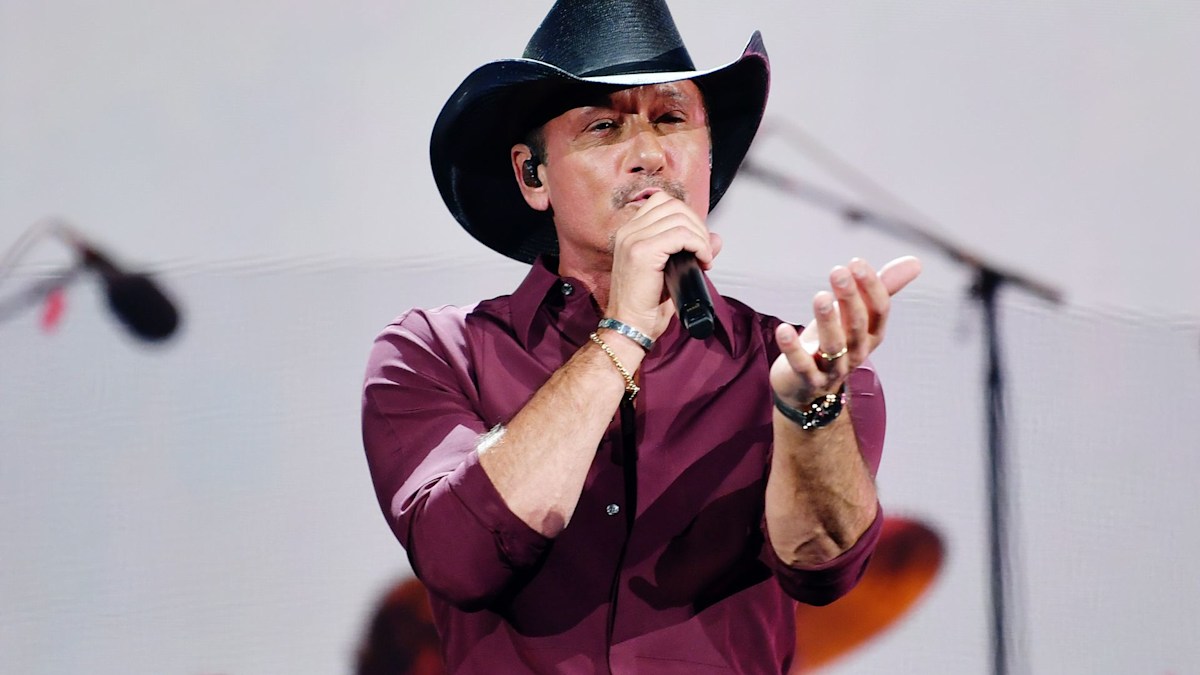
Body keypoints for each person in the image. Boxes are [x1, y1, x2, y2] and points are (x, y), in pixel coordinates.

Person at [361, 0, 922, 672]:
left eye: (672, 120)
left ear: (708, 157)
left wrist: (810, 413)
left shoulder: (798, 366)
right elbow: (459, 557)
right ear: (533, 175)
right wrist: (622, 331)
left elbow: (823, 568)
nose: (650, 156)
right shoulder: (434, 353)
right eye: (604, 126)